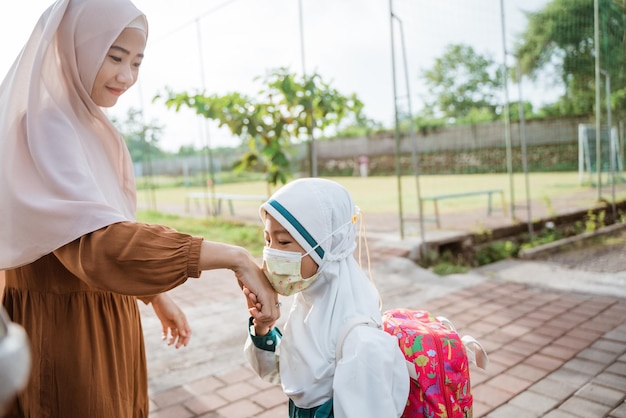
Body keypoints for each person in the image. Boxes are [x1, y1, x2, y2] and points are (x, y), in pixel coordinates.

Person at [0, 1, 279, 417]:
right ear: (74, 47)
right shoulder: (45, 125)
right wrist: (234, 257)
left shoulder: (86, 124)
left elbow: (102, 224)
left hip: (103, 313)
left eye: (136, 62)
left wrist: (154, 296)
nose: (126, 76)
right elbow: (95, 245)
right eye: (114, 57)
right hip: (68, 333)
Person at [242, 178, 410, 417]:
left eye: (284, 242)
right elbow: (288, 372)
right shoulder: (309, 304)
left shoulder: (360, 340)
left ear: (328, 245)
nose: (271, 253)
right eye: (268, 240)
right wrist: (263, 327)